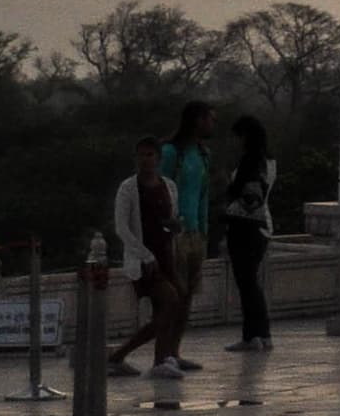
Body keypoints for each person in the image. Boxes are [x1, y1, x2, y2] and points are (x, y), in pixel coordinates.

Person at [104, 139, 186, 379]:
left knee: (171, 307)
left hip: (166, 255)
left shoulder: (168, 186)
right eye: (141, 155)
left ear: (158, 158)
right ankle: (136, 356)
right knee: (169, 300)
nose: (145, 160)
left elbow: (173, 217)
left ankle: (156, 358)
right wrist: (145, 255)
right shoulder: (128, 189)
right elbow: (122, 227)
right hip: (143, 261)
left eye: (150, 155)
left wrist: (175, 226)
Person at [159, 99, 217, 372]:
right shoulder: (172, 153)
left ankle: (175, 351)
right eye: (209, 119)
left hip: (195, 234)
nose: (212, 124)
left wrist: (204, 230)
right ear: (197, 120)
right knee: (173, 295)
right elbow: (160, 190)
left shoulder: (203, 154)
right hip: (174, 235)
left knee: (188, 296)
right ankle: (164, 354)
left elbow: (204, 195)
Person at [219, 117, 278, 353]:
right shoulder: (270, 162)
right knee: (251, 283)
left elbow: (246, 196)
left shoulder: (250, 162)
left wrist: (228, 188)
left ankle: (252, 335)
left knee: (246, 283)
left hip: (244, 228)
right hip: (262, 227)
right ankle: (262, 334)